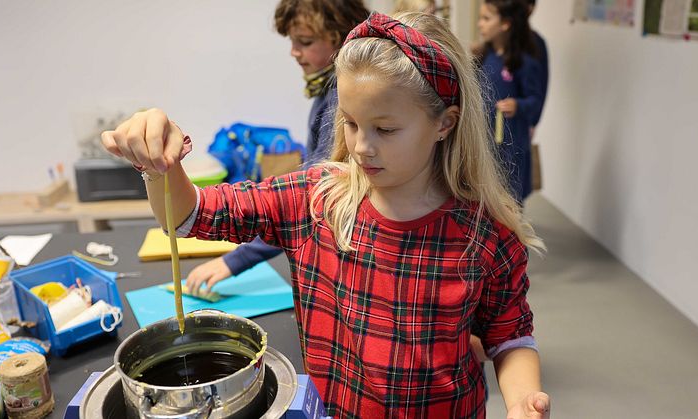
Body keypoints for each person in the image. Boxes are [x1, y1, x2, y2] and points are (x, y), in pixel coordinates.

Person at [102, 11, 550, 418]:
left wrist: (521, 400)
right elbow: (188, 216)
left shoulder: (484, 236)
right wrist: (159, 162)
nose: (361, 146)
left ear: (444, 123)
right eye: (351, 123)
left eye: (386, 129)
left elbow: (510, 337)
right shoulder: (315, 201)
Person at [185, 0, 370, 295]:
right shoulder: (328, 91)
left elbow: (307, 199)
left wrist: (236, 260)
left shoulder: (341, 99)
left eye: (305, 42)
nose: (294, 51)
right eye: (293, 41)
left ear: (340, 38)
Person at [476, 0, 545, 203]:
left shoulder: (525, 60)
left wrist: (518, 105)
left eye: (486, 19)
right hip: (486, 141)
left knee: (509, 200)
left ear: (505, 24)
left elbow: (535, 99)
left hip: (511, 144)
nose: (480, 24)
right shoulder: (485, 55)